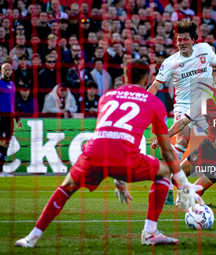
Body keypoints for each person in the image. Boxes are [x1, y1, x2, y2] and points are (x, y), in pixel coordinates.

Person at [15, 59, 203, 248]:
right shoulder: (154, 102)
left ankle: (32, 237)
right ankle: (150, 233)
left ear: (123, 77)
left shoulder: (107, 97)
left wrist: (118, 178)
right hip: (124, 157)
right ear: (148, 79)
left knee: (66, 187)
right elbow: (166, 150)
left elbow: (108, 135)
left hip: (94, 153)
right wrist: (183, 182)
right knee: (163, 171)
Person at [147, 20, 216, 204]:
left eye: (185, 39)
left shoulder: (205, 50)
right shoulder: (171, 62)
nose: (182, 42)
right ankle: (170, 189)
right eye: (178, 39)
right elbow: (154, 86)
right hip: (184, 106)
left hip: (207, 107)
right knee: (183, 140)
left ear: (193, 39)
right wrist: (143, 105)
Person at [0, 63, 22, 177]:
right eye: (5, 70)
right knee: (1, 142)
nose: (7, 71)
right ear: (1, 71)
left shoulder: (13, 85)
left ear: (11, 72)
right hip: (1, 116)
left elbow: (14, 103)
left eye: (9, 70)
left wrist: (17, 118)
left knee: (6, 143)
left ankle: (0, 170)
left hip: (10, 118)